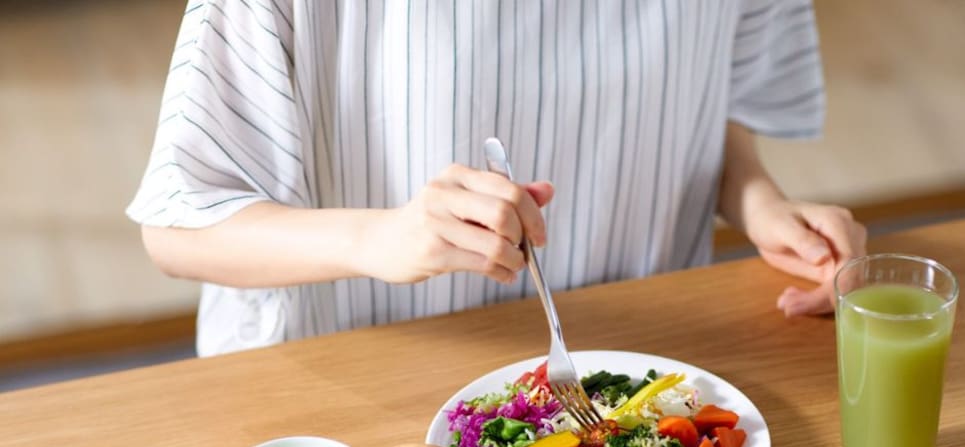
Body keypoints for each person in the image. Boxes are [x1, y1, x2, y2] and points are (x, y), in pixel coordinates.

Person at [129, 0, 866, 356]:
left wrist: (759, 201)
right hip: (365, 389)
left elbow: (708, 94)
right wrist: (379, 238)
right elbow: (178, 224)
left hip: (645, 365)